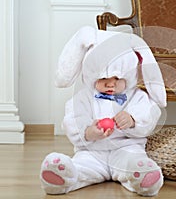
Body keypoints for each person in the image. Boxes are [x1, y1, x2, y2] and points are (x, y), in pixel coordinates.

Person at [39, 27, 167, 197]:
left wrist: (133, 120)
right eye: (103, 79)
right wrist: (88, 132)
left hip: (126, 148)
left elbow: (150, 114)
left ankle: (141, 175)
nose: (110, 84)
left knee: (133, 162)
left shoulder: (137, 96)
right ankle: (63, 176)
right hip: (92, 151)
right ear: (91, 75)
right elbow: (73, 119)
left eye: (117, 79)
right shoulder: (83, 98)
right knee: (82, 166)